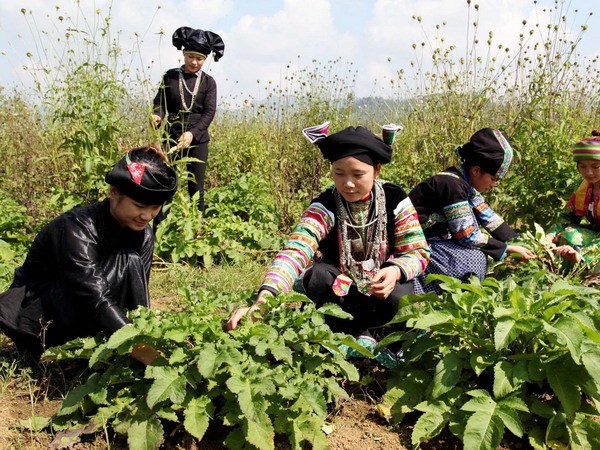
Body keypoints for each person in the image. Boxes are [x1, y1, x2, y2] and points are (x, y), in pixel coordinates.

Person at [227, 125, 430, 341]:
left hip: (382, 287)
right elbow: (296, 250)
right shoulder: (326, 204)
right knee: (318, 276)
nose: (348, 184)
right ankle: (348, 332)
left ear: (377, 170)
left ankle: (380, 335)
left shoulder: (395, 198)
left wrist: (395, 271)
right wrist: (263, 301)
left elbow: (419, 252)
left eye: (358, 174)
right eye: (339, 173)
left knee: (400, 293)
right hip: (341, 291)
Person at [0, 147, 178, 364]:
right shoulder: (77, 227)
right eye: (139, 206)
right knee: (127, 260)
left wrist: (146, 333)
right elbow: (94, 296)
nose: (147, 215)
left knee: (130, 261)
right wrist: (144, 351)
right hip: (39, 318)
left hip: (86, 311)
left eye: (155, 208)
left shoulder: (143, 232)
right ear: (114, 193)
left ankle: (113, 348)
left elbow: (138, 293)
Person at [409, 128, 535, 294]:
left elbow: (488, 215)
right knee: (472, 260)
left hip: (438, 239)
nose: (493, 185)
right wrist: (508, 249)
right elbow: (467, 235)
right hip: (418, 244)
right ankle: (443, 299)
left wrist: (520, 242)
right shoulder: (451, 184)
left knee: (479, 252)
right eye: (493, 179)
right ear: (476, 170)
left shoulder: (463, 181)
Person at [151, 26, 224, 215]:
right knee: (165, 181)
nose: (194, 62)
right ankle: (159, 226)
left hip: (197, 138)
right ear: (184, 54)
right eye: (191, 56)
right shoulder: (171, 76)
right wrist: (158, 115)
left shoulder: (209, 82)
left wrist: (192, 134)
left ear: (205, 59)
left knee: (196, 187)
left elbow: (209, 112)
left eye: (199, 58)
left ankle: (196, 227)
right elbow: (160, 101)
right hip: (171, 135)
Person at [547, 130, 600, 273]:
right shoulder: (584, 187)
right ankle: (566, 277)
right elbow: (566, 216)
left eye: (596, 167)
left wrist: (583, 256)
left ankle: (589, 279)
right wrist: (551, 234)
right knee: (567, 234)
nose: (589, 173)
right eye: (583, 166)